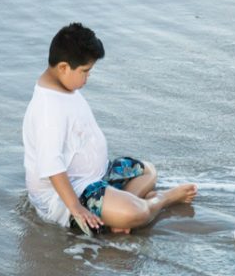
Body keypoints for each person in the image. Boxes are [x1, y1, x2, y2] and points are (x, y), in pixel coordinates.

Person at [22, 22, 197, 236]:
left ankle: (118, 214)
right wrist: (76, 208)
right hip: (72, 194)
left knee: (148, 170)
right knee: (136, 213)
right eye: (85, 72)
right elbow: (51, 165)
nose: (88, 78)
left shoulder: (64, 86)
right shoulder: (48, 108)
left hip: (98, 175)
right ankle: (159, 201)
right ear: (63, 68)